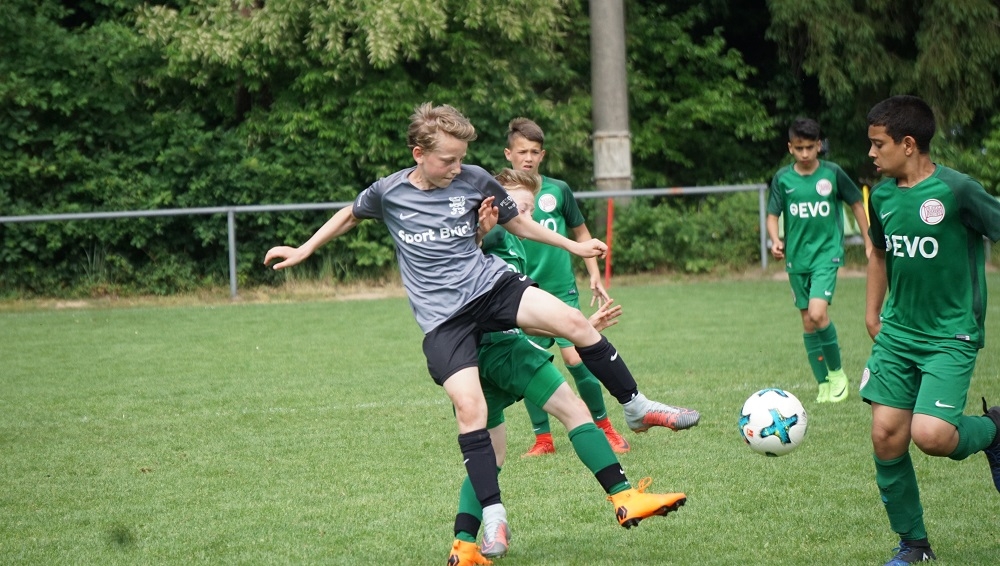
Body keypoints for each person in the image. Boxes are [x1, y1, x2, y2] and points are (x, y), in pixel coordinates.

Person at [264, 103, 685, 560]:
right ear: (418, 153)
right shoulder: (389, 192)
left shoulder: (475, 179)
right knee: (471, 409)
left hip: (489, 289)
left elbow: (517, 222)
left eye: (462, 158)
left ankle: (635, 407)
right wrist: (304, 249)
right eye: (448, 159)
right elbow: (350, 214)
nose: (457, 167)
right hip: (445, 321)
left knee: (573, 321)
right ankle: (490, 520)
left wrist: (573, 245)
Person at [447, 170, 686, 565]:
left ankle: (464, 546)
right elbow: (483, 261)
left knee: (493, 454)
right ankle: (624, 494)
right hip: (502, 350)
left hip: (471, 356)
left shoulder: (512, 244)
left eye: (528, 209)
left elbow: (522, 319)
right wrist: (482, 230)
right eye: (519, 208)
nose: (525, 216)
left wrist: (577, 328)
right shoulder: (497, 232)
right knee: (573, 410)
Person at [504, 117, 700, 457]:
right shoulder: (501, 200)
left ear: (543, 155)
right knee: (532, 359)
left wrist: (593, 273)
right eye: (522, 152)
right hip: (523, 294)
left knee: (576, 357)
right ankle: (543, 439)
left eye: (534, 152)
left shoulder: (557, 190)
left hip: (560, 288)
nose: (528, 158)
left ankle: (606, 427)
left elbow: (581, 233)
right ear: (509, 154)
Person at [861, 95, 1000, 565]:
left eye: (878, 144)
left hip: (950, 335)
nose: (871, 153)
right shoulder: (881, 197)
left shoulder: (958, 190)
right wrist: (872, 314)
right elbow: (879, 254)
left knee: (932, 435)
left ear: (908, 144)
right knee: (886, 435)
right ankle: (914, 545)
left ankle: (994, 430)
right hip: (898, 334)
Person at [766, 117, 873, 403]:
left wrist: (868, 241)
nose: (804, 153)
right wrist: (775, 240)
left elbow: (856, 203)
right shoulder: (783, 179)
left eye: (810, 147)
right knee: (807, 322)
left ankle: (837, 374)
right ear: (790, 147)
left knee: (817, 313)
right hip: (796, 259)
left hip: (826, 255)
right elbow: (773, 215)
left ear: (819, 145)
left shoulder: (832, 173)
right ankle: (823, 382)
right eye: (799, 148)